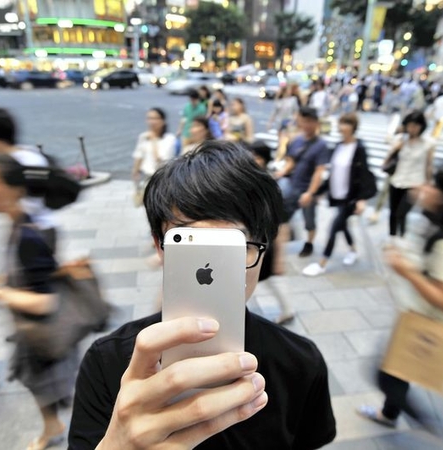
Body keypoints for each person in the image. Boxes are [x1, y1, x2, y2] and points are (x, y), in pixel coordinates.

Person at [67, 142, 336, 449]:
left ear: (263, 250)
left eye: (233, 248)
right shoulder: (106, 362)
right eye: (191, 246)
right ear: (160, 247)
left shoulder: (301, 362)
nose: (211, 269)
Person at [0, 156, 80, 450]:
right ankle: (52, 425)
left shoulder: (28, 235)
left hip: (41, 334)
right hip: (29, 334)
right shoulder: (17, 224)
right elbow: (25, 276)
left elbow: (46, 302)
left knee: (41, 383)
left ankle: (57, 428)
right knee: (34, 382)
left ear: (13, 189)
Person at [358, 161, 443, 429]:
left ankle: (425, 424)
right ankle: (389, 415)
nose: (423, 188)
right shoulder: (440, 222)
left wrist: (407, 272)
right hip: (416, 315)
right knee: (399, 370)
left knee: (386, 376)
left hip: (429, 321)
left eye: (431, 185)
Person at [302, 113, 374, 276]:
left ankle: (322, 263)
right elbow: (333, 174)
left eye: (347, 123)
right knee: (342, 224)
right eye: (341, 123)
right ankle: (353, 250)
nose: (342, 127)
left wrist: (362, 199)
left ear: (353, 127)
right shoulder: (337, 147)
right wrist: (317, 192)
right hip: (337, 194)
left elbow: (364, 174)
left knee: (334, 226)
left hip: (351, 198)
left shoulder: (359, 148)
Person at [0, 108, 56, 235]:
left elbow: (35, 199)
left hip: (37, 230)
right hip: (36, 226)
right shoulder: (28, 153)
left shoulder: (21, 161)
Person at [248, 141, 294, 325]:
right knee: (267, 278)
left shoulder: (268, 185)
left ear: (263, 160)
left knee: (272, 277)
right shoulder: (250, 180)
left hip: (265, 242)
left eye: (255, 157)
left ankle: (288, 310)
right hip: (254, 239)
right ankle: (288, 309)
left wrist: (280, 257)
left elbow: (282, 221)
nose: (251, 160)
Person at [274, 107, 329, 258]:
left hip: (307, 190)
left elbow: (319, 171)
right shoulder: (297, 140)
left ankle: (309, 244)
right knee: (282, 217)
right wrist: (283, 172)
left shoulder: (321, 146)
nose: (306, 125)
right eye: (304, 121)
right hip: (293, 186)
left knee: (309, 221)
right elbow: (292, 162)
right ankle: (277, 246)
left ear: (316, 123)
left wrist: (310, 193)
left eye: (310, 122)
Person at [383, 111, 435, 238]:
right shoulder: (400, 140)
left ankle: (402, 237)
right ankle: (393, 238)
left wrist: (429, 184)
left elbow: (428, 165)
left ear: (422, 127)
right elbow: (386, 161)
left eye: (416, 126)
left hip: (414, 184)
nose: (412, 129)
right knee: (393, 212)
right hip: (397, 180)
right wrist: (395, 148)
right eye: (410, 125)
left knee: (402, 212)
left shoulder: (428, 143)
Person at [131, 108, 176, 187]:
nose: (152, 122)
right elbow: (139, 155)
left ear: (163, 121)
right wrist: (135, 171)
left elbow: (161, 160)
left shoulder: (170, 139)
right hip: (145, 177)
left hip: (161, 179)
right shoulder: (144, 136)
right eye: (149, 118)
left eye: (155, 118)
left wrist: (153, 140)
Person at [267, 85, 299, 159]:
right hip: (280, 122)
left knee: (287, 140)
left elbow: (296, 112)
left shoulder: (293, 100)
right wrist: (270, 122)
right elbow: (274, 112)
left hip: (289, 122)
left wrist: (293, 121)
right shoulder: (279, 101)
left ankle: (283, 155)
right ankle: (281, 155)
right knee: (280, 140)